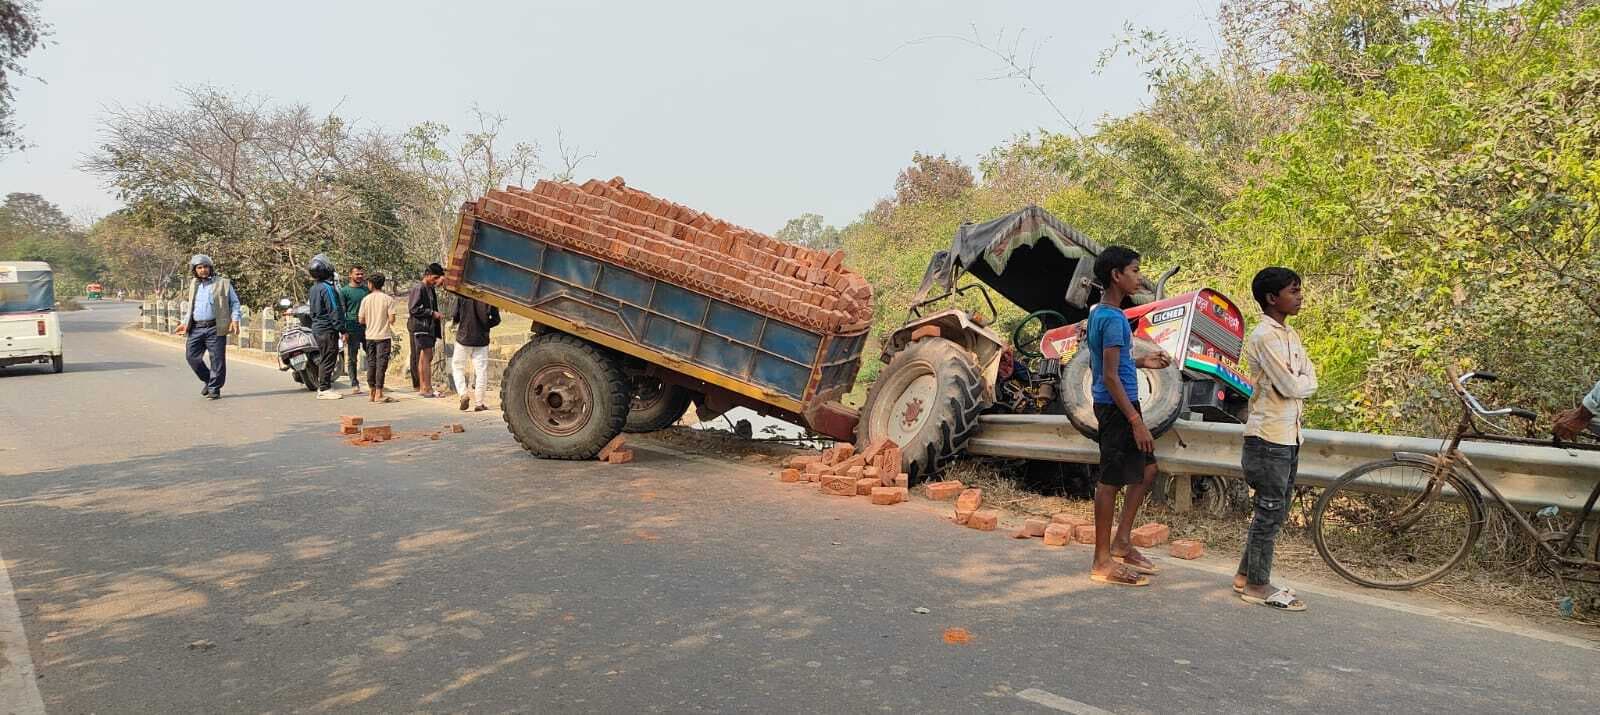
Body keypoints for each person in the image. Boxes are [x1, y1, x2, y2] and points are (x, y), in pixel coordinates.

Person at [1087, 245, 1172, 587]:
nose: (1139, 277)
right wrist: (1136, 421)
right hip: (1116, 408)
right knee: (1109, 482)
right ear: (1116, 275)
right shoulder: (1112, 319)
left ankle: (1122, 541)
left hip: (1121, 404)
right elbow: (1107, 375)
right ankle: (1101, 560)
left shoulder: (1102, 314)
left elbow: (1110, 363)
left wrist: (1142, 362)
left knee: (1148, 469)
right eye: (1134, 271)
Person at [1234, 267, 1315, 612]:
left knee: (1275, 509)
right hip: (1268, 437)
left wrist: (1303, 382)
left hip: (1289, 434)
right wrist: (1302, 382)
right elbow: (1293, 386)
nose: (1299, 297)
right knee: (1269, 511)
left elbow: (1310, 377)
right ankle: (1256, 583)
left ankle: (1245, 575)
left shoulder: (1290, 336)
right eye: (1293, 291)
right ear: (1271, 298)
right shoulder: (1264, 336)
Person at [174, 254, 241, 400]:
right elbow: (192, 306)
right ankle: (209, 379)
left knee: (217, 359)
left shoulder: (223, 283)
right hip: (196, 327)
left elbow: (235, 303)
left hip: (215, 327)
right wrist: (185, 323)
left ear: (210, 268)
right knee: (191, 357)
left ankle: (214, 388)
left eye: (205, 267)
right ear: (195, 270)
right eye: (199, 268)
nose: (203, 270)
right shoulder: (194, 284)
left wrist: (235, 319)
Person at [451, 295, 501, 411]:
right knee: (481, 371)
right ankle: (479, 403)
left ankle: (463, 394)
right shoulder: (489, 296)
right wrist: (485, 325)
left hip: (464, 337)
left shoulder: (462, 295)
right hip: (481, 339)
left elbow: (455, 315)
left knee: (457, 367)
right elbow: (496, 319)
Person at [306, 254, 344, 400]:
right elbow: (334, 309)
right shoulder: (327, 288)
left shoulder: (314, 288)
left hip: (317, 327)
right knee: (329, 357)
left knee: (325, 356)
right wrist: (341, 328)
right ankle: (324, 388)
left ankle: (324, 386)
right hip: (327, 328)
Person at [357, 272, 399, 404]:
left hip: (369, 336)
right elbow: (392, 319)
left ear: (371, 284)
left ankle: (371, 392)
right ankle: (379, 393)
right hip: (383, 336)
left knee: (371, 363)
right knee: (381, 364)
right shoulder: (388, 299)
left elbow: (361, 319)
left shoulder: (365, 299)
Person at [408, 263, 446, 397]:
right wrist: (431, 313)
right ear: (428, 275)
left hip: (428, 327)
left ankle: (425, 386)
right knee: (426, 356)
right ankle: (425, 387)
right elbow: (413, 309)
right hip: (421, 326)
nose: (436, 281)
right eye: (435, 278)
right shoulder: (419, 288)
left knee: (426, 357)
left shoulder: (430, 289)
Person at [339, 265, 370, 396]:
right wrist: (343, 331)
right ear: (350, 275)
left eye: (362, 274)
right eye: (357, 274)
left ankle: (373, 383)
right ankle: (354, 383)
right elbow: (341, 311)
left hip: (368, 327)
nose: (360, 276)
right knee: (352, 358)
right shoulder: (344, 291)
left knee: (372, 354)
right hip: (352, 327)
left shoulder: (367, 290)